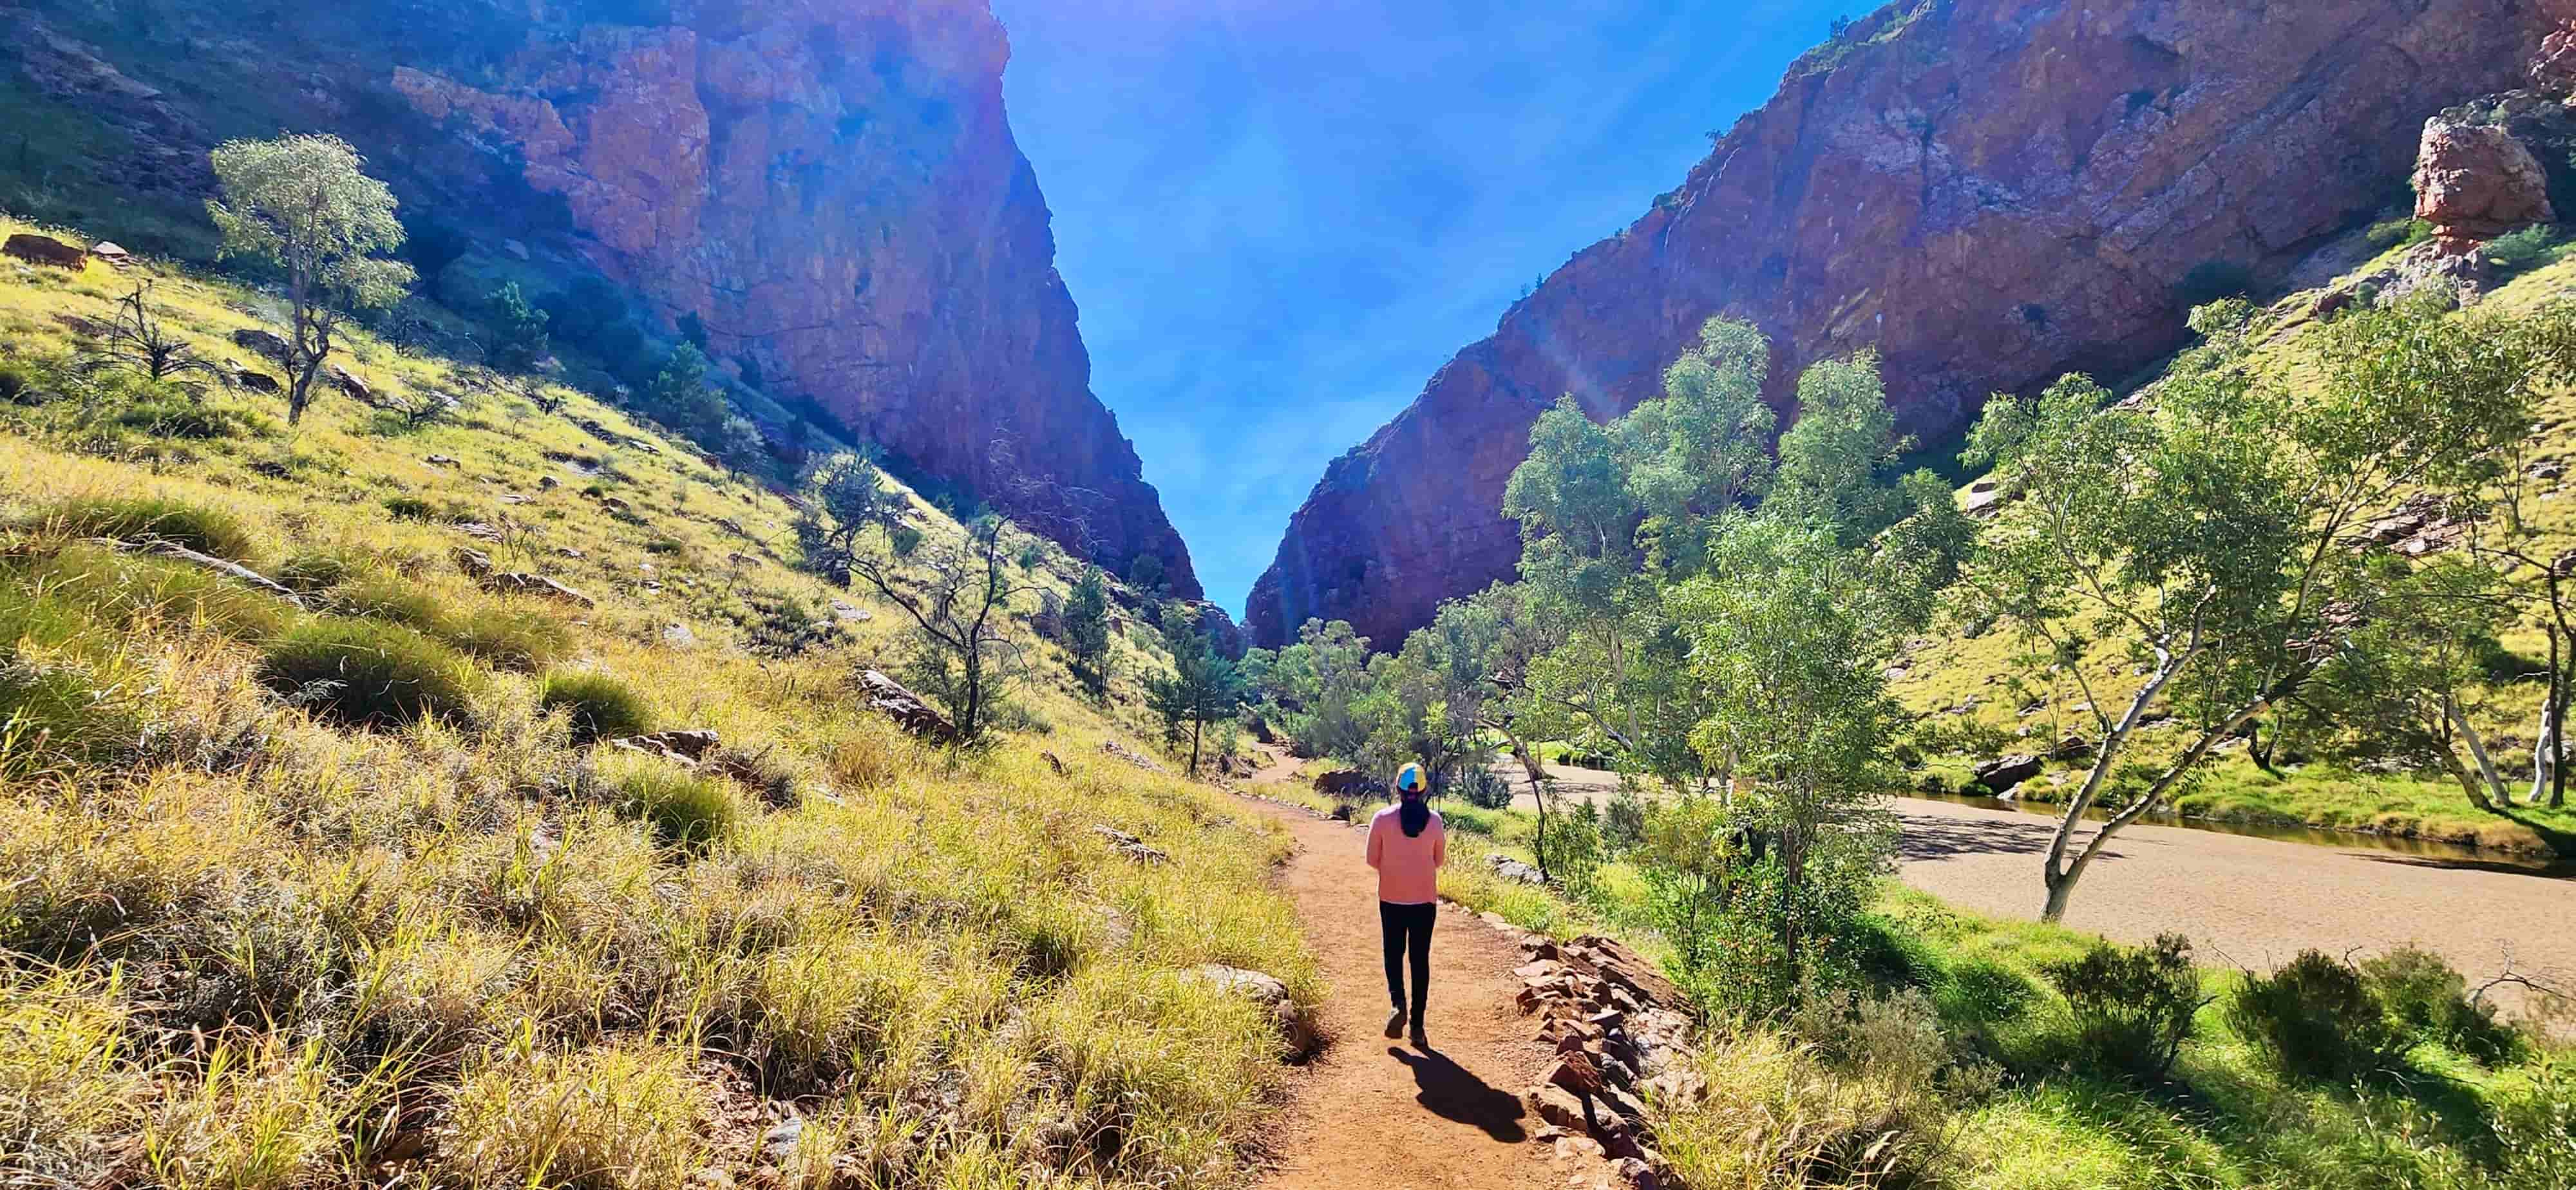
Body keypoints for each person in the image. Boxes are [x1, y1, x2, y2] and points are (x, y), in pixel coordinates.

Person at [1365, 762, 1446, 1046]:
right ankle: (1418, 1027)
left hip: (1391, 898)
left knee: (1393, 953)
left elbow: (1372, 860)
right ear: (1423, 790)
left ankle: (1398, 1003)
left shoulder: (1382, 819)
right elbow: (1439, 861)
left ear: (1398, 788)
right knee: (1420, 960)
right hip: (1424, 901)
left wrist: (1394, 868)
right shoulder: (1434, 821)